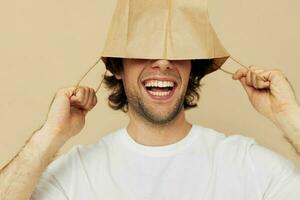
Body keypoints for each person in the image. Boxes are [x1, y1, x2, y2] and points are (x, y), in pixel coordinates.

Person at [1, 1, 300, 199]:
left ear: (192, 66)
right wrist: (49, 136)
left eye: (178, 50)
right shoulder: (78, 174)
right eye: (144, 48)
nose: (162, 61)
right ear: (117, 67)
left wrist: (289, 117)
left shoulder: (245, 163)